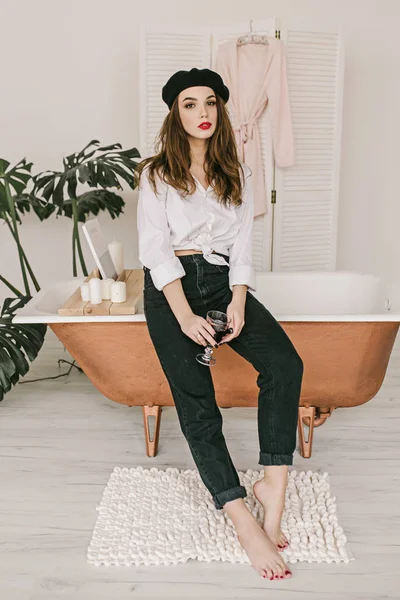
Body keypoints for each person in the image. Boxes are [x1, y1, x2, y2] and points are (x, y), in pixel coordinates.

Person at [135, 67, 303, 581]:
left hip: (224, 281)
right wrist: (183, 314)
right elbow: (155, 248)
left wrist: (238, 300)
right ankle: (240, 518)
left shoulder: (240, 172)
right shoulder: (156, 173)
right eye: (190, 104)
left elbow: (244, 249)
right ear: (174, 113)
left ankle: (273, 489)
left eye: (210, 102)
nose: (202, 113)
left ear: (221, 110)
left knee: (285, 364)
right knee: (198, 404)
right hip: (171, 291)